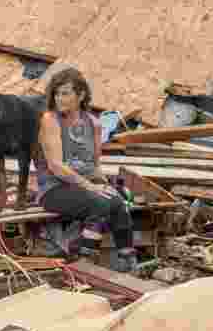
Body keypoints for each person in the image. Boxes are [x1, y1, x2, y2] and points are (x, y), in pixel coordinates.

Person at [35, 68, 137, 272]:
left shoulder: (94, 123)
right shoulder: (50, 120)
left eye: (65, 93)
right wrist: (90, 187)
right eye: (56, 93)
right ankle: (84, 260)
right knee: (99, 204)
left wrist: (105, 186)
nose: (59, 98)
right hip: (54, 189)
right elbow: (56, 165)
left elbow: (94, 166)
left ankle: (128, 260)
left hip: (83, 186)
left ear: (80, 95)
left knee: (119, 203)